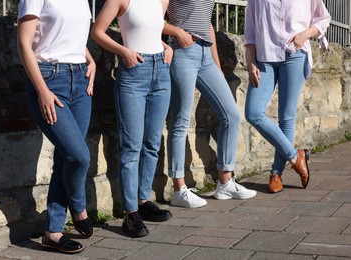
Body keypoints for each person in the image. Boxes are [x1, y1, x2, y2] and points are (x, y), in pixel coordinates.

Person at [17, 0, 95, 254]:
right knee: (79, 156)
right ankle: (79, 206)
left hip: (80, 80)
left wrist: (90, 59)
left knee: (66, 158)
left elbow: (70, 35)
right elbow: (24, 44)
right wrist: (42, 91)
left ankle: (53, 232)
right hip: (50, 79)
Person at [163, 0, 257, 209]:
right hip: (183, 52)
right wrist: (178, 33)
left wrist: (217, 66)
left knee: (231, 115)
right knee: (180, 121)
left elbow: (207, 25)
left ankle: (225, 181)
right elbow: (154, 20)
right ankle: (179, 189)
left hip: (206, 55)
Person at [91, 0, 173, 238]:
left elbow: (150, 31)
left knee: (152, 143)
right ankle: (130, 212)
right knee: (131, 145)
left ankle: (143, 199)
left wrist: (165, 47)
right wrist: (123, 50)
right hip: (134, 74)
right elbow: (97, 31)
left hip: (161, 73)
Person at [244, 0, 331, 193]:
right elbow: (250, 30)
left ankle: (276, 173)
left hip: (295, 54)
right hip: (264, 58)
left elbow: (323, 18)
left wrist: (304, 35)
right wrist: (250, 61)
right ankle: (295, 157)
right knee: (253, 112)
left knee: (287, 118)